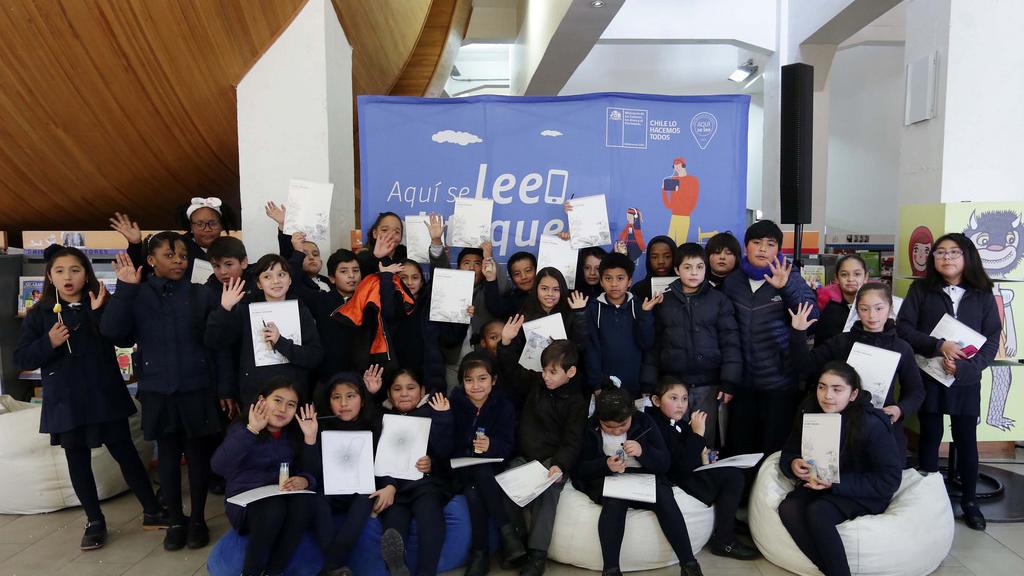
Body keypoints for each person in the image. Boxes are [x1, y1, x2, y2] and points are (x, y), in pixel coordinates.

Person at [14, 245, 167, 550]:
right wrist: (49, 342)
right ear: (50, 276)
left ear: (87, 274)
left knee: (126, 453)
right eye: (60, 271)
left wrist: (100, 314)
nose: (68, 277)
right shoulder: (39, 314)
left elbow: (124, 338)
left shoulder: (100, 302)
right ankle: (94, 521)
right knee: (77, 459)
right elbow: (22, 359)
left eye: (75, 270)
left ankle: (152, 510)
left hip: (103, 394)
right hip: (66, 402)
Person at [101, 232, 231, 551]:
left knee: (198, 458)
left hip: (196, 387)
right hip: (157, 390)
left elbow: (218, 345)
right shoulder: (137, 293)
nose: (178, 261)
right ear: (151, 260)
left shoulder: (200, 293)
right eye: (169, 256)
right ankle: (175, 521)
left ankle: (197, 520)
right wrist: (125, 290)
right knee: (168, 459)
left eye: (183, 256)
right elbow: (113, 332)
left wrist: (224, 387)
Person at [897, 233, 1001, 530]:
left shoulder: (983, 293)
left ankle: (970, 502)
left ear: (967, 257)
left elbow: (992, 338)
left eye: (954, 252)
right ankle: (929, 502)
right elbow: (904, 329)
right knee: (930, 436)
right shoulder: (921, 289)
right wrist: (939, 345)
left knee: (966, 439)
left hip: (965, 380)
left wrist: (968, 369)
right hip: (929, 375)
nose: (946, 258)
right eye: (940, 252)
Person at [778, 362, 902, 576]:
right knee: (789, 507)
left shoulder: (872, 424)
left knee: (818, 511)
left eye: (837, 389)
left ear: (853, 394)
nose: (827, 396)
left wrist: (836, 483)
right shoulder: (810, 410)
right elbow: (789, 451)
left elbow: (888, 480)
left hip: (862, 490)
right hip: (822, 484)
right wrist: (793, 464)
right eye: (822, 387)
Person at [573, 380, 705, 576]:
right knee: (614, 503)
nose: (617, 431)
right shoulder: (590, 428)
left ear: (631, 416)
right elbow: (579, 469)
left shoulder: (645, 422)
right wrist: (605, 465)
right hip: (609, 481)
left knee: (665, 498)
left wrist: (643, 452)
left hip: (644, 478)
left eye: (623, 425)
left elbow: (664, 463)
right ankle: (611, 569)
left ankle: (689, 564)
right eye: (609, 427)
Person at [790, 283, 924, 464]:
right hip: (841, 422)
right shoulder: (841, 342)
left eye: (879, 308)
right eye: (864, 309)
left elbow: (916, 391)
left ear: (890, 309)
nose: (872, 315)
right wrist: (798, 333)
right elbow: (805, 366)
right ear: (857, 310)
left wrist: (900, 409)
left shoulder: (901, 347)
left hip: (881, 421)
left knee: (886, 470)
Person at [723, 220, 818, 457]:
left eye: (770, 244)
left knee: (773, 451)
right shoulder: (733, 281)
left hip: (779, 382)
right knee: (741, 450)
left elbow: (811, 317)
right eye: (757, 243)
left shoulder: (790, 276)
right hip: (742, 383)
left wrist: (785, 288)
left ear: (778, 249)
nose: (763, 249)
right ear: (746, 247)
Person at [211, 378, 321, 576]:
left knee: (305, 503)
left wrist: (305, 474)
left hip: (283, 497)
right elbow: (218, 466)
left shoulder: (294, 433)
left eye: (291, 405)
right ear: (262, 400)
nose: (282, 409)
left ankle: (274, 571)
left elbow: (311, 473)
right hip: (246, 504)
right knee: (273, 508)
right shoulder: (242, 428)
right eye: (277, 400)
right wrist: (252, 430)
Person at [497, 339, 587, 576]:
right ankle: (516, 545)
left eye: (553, 372)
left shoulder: (577, 402)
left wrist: (559, 465)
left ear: (571, 372)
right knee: (505, 482)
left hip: (553, 460)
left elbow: (572, 441)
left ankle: (537, 556)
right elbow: (511, 370)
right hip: (525, 456)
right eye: (544, 370)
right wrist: (505, 344)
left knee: (549, 489)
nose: (546, 376)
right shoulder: (535, 383)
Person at [646, 376, 757, 561]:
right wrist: (697, 434)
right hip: (674, 480)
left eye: (684, 398)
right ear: (657, 401)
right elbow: (680, 465)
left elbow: (691, 454)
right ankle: (724, 540)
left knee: (738, 471)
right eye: (673, 398)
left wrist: (707, 457)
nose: (681, 404)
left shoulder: (678, 423)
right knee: (733, 477)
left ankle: (727, 522)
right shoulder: (655, 425)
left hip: (687, 474)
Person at [644, 243, 740, 448]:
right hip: (674, 385)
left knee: (705, 440)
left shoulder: (719, 300)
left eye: (699, 267)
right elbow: (654, 345)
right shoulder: (664, 301)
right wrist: (649, 381)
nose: (694, 272)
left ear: (706, 269)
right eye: (687, 267)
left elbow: (730, 342)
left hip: (709, 385)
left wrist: (729, 381)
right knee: (674, 440)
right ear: (677, 269)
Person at [205, 254, 324, 407]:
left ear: (290, 280)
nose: (276, 281)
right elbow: (214, 341)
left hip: (293, 393)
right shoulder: (245, 311)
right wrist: (225, 309)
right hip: (255, 394)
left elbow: (314, 357)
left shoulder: (301, 311)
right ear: (259, 284)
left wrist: (280, 342)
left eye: (281, 274)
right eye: (267, 276)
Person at [370, 370, 454, 576]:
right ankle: (398, 568)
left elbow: (446, 452)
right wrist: (388, 484)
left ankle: (426, 571)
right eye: (397, 389)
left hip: (424, 485)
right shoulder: (381, 417)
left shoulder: (433, 412)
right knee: (393, 527)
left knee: (430, 518)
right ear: (389, 394)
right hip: (393, 488)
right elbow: (374, 458)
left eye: (411, 388)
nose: (404, 394)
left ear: (422, 391)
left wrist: (431, 463)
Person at [450, 352, 526, 575]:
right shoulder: (454, 404)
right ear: (462, 382)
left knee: (476, 488)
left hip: (492, 468)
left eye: (482, 378)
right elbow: (447, 445)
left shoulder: (504, 406)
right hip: (460, 470)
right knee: (477, 474)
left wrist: (491, 445)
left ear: (493, 380)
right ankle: (508, 535)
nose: (476, 386)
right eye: (469, 380)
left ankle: (479, 554)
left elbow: (508, 446)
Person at [312, 371, 394, 576]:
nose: (343, 403)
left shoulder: (375, 423)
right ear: (328, 401)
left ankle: (330, 567)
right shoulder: (320, 425)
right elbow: (312, 469)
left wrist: (390, 486)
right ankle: (334, 567)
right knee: (318, 499)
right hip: (329, 488)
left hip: (362, 488)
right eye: (336, 397)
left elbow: (384, 460)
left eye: (351, 396)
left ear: (362, 400)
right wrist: (309, 439)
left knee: (365, 498)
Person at [584, 252, 660, 396]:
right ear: (601, 281)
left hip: (635, 385)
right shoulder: (594, 309)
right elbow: (592, 349)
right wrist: (596, 384)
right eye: (608, 278)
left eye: (620, 278)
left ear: (629, 281)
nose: (614, 284)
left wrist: (645, 315)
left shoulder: (639, 306)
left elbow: (646, 344)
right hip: (605, 386)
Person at [109, 197, 237, 279]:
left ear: (222, 225)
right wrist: (135, 244)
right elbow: (141, 272)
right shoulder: (175, 244)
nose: (207, 229)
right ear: (191, 226)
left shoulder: (231, 249)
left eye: (213, 223)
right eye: (200, 224)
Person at [265, 201, 331, 291]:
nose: (311, 257)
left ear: (322, 262)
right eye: (304, 254)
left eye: (315, 254)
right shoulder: (292, 283)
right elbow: (287, 255)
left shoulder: (330, 283)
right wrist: (284, 225)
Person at [813, 255, 868, 348]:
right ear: (837, 278)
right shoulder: (825, 304)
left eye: (857, 274)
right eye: (844, 275)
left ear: (866, 277)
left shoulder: (874, 306)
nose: (850, 279)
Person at [483, 251, 536, 320]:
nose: (524, 277)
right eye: (517, 274)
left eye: (528, 270)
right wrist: (491, 278)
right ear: (512, 278)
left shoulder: (547, 293)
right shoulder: (512, 299)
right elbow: (496, 309)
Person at [661, 157, 699, 245]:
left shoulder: (693, 180)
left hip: (685, 217)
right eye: (675, 166)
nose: (676, 167)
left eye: (678, 164)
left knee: (681, 243)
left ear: (683, 165)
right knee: (669, 243)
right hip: (674, 216)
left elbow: (694, 197)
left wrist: (687, 210)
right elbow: (668, 205)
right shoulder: (673, 180)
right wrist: (663, 190)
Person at [630, 236, 677, 302]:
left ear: (675, 257)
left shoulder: (685, 288)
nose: (661, 262)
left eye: (667, 256)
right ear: (648, 259)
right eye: (654, 257)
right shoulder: (638, 290)